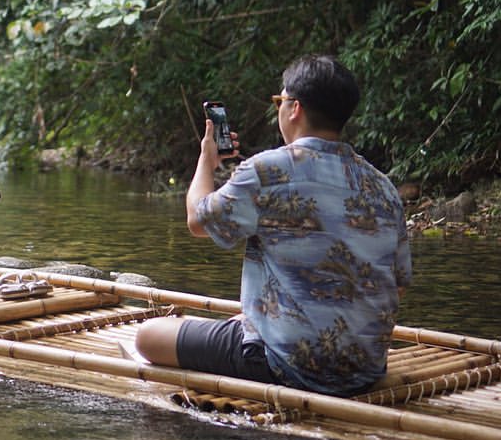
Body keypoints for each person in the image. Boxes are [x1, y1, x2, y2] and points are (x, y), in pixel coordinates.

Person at [135, 55, 411, 397]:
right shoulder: (382, 185)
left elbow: (198, 219)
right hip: (365, 369)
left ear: (294, 108)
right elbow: (397, 285)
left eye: (280, 101)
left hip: (285, 364)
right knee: (242, 319)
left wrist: (206, 161)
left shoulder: (269, 170)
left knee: (148, 335)